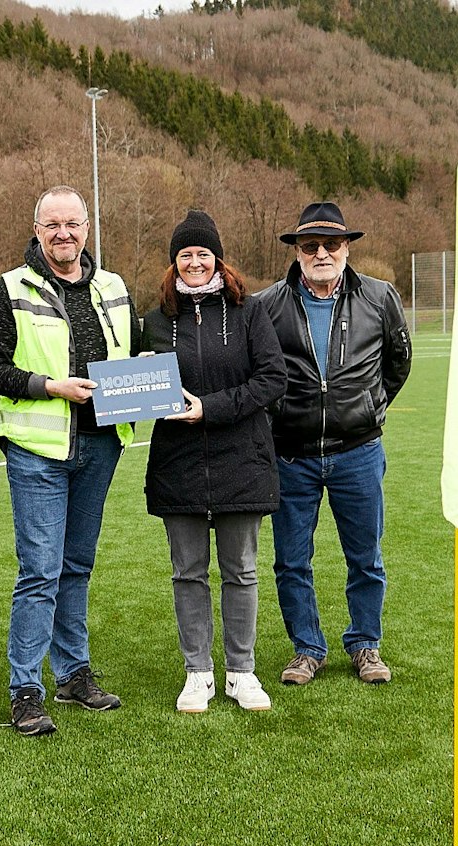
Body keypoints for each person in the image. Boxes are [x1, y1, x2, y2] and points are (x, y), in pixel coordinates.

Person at [0, 185, 144, 736]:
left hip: (101, 445)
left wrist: (149, 386)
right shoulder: (11, 289)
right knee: (40, 571)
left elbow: (138, 353)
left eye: (73, 223)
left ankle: (72, 673)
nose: (64, 233)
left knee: (77, 566)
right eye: (53, 225)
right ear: (37, 229)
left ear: (87, 227)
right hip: (38, 451)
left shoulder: (114, 287)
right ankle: (26, 688)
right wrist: (50, 386)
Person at [254, 201, 412, 687]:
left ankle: (366, 645)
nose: (321, 253)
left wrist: (368, 407)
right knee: (291, 560)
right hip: (292, 454)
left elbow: (398, 364)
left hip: (358, 451)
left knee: (365, 555)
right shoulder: (267, 305)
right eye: (310, 245)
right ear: (297, 252)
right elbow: (258, 373)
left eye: (331, 244)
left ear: (347, 248)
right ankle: (307, 649)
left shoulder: (380, 297)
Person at [140, 210, 287, 713]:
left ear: (218, 259)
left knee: (241, 569)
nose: (195, 262)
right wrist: (137, 378)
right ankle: (198, 672)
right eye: (186, 254)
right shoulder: (155, 320)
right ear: (174, 262)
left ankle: (241, 672)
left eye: (203, 253)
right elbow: (137, 386)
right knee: (187, 572)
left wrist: (211, 408)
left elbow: (272, 379)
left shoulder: (249, 312)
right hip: (177, 463)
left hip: (240, 459)